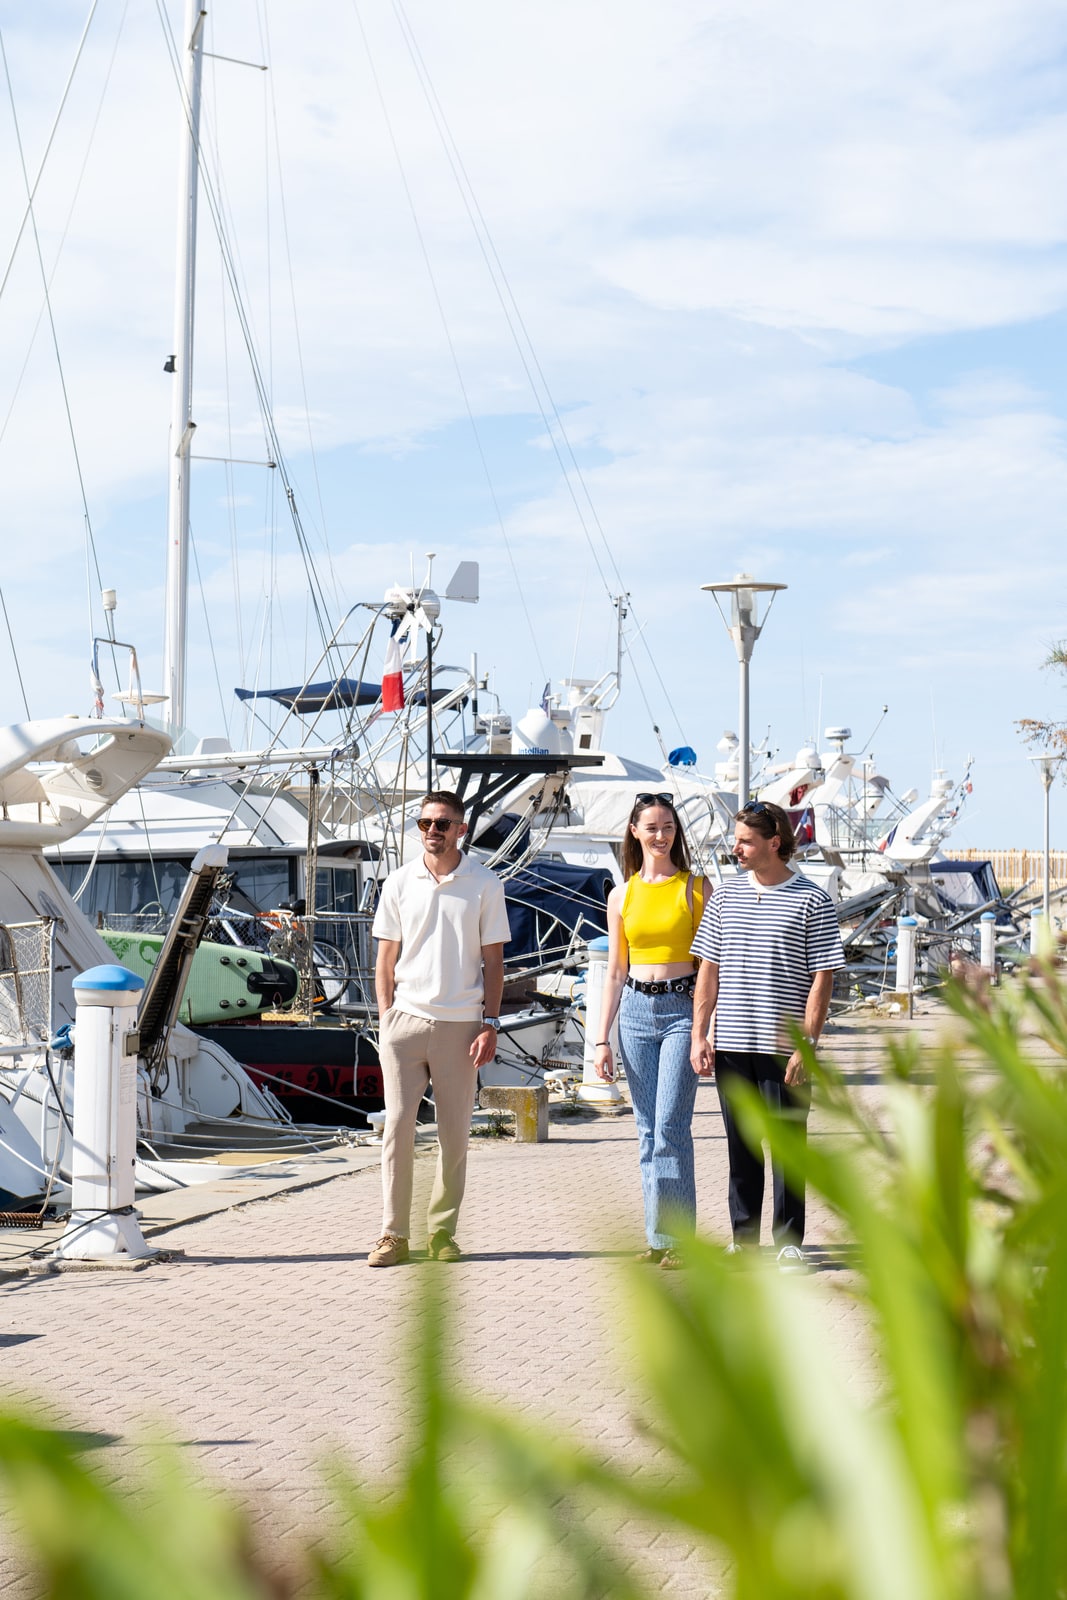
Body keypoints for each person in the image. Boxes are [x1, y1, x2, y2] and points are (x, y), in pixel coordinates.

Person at [690, 800, 844, 1269]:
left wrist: (808, 1045)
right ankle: (743, 1239)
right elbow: (708, 970)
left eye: (745, 841)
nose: (735, 848)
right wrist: (700, 1035)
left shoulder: (812, 899)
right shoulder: (725, 898)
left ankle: (789, 1242)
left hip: (785, 1050)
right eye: (736, 839)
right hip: (733, 1045)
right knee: (740, 1144)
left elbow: (823, 979)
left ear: (774, 843)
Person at [367, 790, 511, 1267]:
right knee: (398, 1130)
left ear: (461, 830)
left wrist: (490, 1023)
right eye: (425, 822)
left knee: (453, 1135)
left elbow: (494, 962)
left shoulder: (484, 883)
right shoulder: (399, 882)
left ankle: (442, 1234)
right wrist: (386, 1016)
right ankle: (393, 1235)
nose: (432, 830)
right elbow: (385, 957)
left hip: (462, 1026)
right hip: (404, 1024)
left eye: (443, 823)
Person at [594, 792, 712, 1268]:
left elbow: (710, 965)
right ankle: (658, 1237)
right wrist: (601, 1038)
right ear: (634, 831)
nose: (660, 835)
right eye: (652, 827)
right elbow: (615, 973)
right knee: (646, 1129)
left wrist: (706, 1029)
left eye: (668, 827)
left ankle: (680, 1238)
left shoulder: (695, 888)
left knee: (669, 1126)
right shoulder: (621, 894)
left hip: (682, 1010)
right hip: (637, 1012)